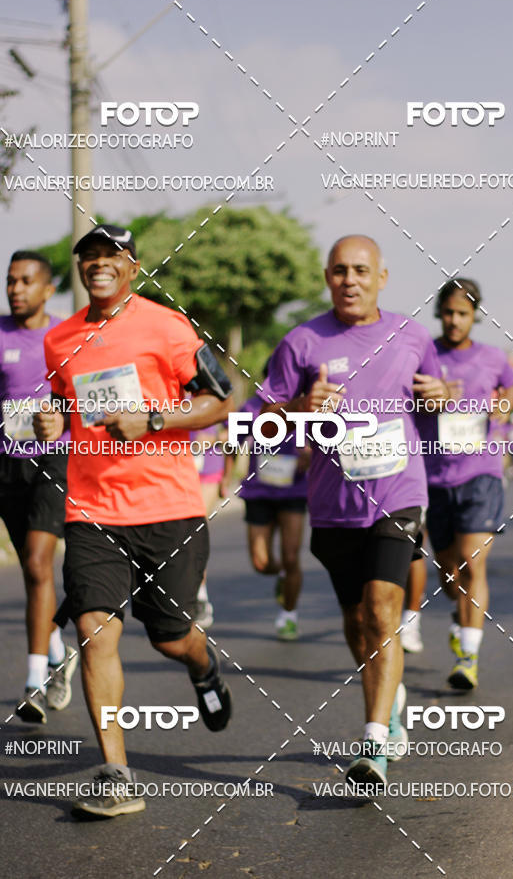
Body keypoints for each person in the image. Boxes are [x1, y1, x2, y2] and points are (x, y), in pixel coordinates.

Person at [34, 224, 234, 819]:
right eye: (88, 256)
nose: (98, 264)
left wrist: (151, 420)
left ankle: (203, 666)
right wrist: (52, 423)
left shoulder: (166, 326)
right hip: (91, 510)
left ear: (131, 264)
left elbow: (219, 399)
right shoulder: (59, 338)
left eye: (110, 255)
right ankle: (116, 773)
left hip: (168, 509)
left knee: (171, 637)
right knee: (95, 627)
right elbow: (63, 406)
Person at [258, 235, 447, 789]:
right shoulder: (301, 341)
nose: (350, 280)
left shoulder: (412, 334)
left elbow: (432, 403)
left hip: (398, 493)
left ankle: (373, 744)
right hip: (334, 503)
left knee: (383, 610)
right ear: (327, 277)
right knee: (357, 622)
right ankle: (389, 694)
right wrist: (297, 407)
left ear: (382, 278)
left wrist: (438, 397)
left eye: (361, 270)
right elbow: (265, 422)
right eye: (340, 271)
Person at [418, 280, 513, 691]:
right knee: (449, 578)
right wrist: (427, 398)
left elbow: (510, 387)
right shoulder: (422, 356)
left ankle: (468, 658)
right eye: (448, 312)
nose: (455, 320)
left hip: (481, 472)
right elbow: (404, 399)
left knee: (472, 562)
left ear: (474, 315)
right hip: (434, 476)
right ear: (439, 313)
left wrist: (505, 403)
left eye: (463, 313)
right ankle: (461, 619)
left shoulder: (493, 357)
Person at [1, 251, 77, 724]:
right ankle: (55, 650)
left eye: (27, 281)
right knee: (34, 575)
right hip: (6, 464)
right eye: (10, 281)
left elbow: (85, 399)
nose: (16, 289)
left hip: (54, 458)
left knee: (36, 561)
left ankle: (33, 681)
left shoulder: (67, 336)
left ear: (48, 290)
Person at [234, 391, 309, 641]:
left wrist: (309, 457)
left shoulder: (306, 404)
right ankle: (281, 575)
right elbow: (234, 441)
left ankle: (289, 615)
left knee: (290, 556)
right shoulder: (251, 407)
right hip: (259, 492)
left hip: (294, 490)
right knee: (260, 562)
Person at [191, 424, 229, 627]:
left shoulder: (212, 391)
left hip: (208, 467)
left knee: (195, 528)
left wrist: (213, 439)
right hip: (174, 466)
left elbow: (234, 429)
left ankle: (200, 595)